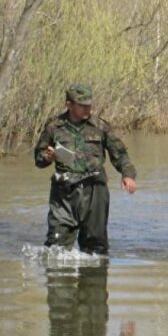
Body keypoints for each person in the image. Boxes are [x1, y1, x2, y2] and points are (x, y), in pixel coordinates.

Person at [34, 84, 137, 254]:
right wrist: (48, 157)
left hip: (94, 190)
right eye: (82, 105)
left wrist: (128, 175)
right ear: (69, 104)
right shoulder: (54, 127)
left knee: (95, 248)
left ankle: (94, 271)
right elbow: (38, 159)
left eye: (89, 104)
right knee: (56, 246)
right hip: (64, 192)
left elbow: (120, 154)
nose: (87, 108)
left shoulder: (100, 126)